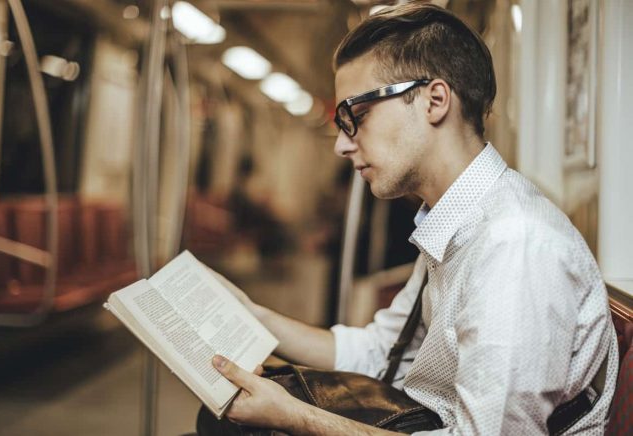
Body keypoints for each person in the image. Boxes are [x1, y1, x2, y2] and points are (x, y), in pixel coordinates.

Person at [207, 3, 618, 434]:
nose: (341, 147)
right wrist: (251, 314)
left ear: (434, 101)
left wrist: (295, 417)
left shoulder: (514, 246)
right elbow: (382, 352)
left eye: (357, 116)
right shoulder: (456, 219)